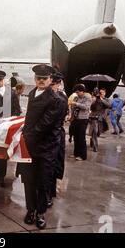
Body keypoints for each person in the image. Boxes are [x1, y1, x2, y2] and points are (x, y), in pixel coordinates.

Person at [16, 64, 60, 229]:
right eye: (38, 78)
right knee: (28, 181)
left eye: (44, 78)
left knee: (42, 182)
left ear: (50, 79)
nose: (41, 81)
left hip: (45, 149)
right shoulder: (33, 93)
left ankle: (40, 212)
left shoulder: (55, 99)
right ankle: (30, 210)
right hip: (30, 146)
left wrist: (25, 137)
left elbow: (45, 124)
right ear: (35, 79)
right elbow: (29, 119)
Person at [49, 71, 68, 207]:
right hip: (45, 135)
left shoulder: (61, 98)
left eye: (54, 83)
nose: (52, 86)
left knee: (55, 163)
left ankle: (50, 191)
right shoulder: (38, 95)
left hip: (55, 134)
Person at [69, 84, 91, 160]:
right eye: (76, 92)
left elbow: (85, 107)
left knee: (81, 138)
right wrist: (71, 116)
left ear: (82, 91)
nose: (77, 94)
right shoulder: (76, 97)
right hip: (76, 119)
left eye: (78, 92)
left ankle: (83, 156)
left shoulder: (87, 97)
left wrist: (76, 104)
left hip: (83, 119)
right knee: (76, 137)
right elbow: (73, 108)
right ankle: (76, 154)